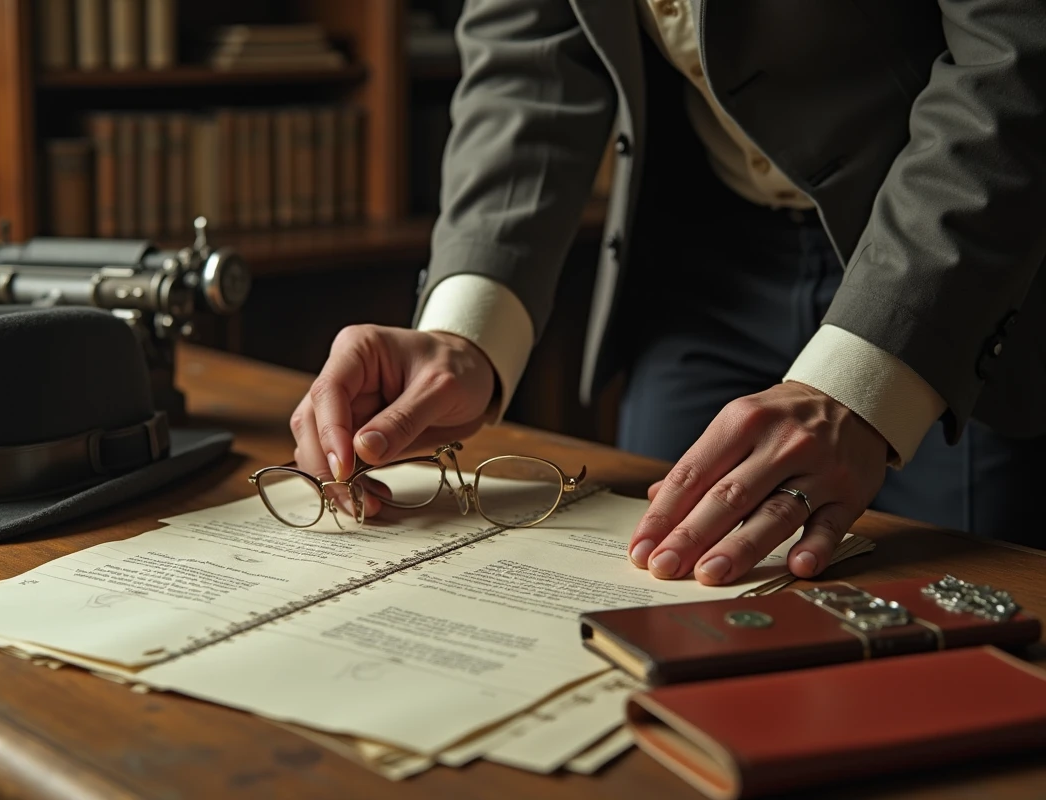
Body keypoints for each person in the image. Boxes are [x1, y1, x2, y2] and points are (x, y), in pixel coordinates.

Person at [288, 0, 1046, 585]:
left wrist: (866, 379)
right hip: (701, 266)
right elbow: (528, 61)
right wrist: (463, 333)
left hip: (959, 280)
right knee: (653, 591)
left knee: (962, 621)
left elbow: (1015, 57)